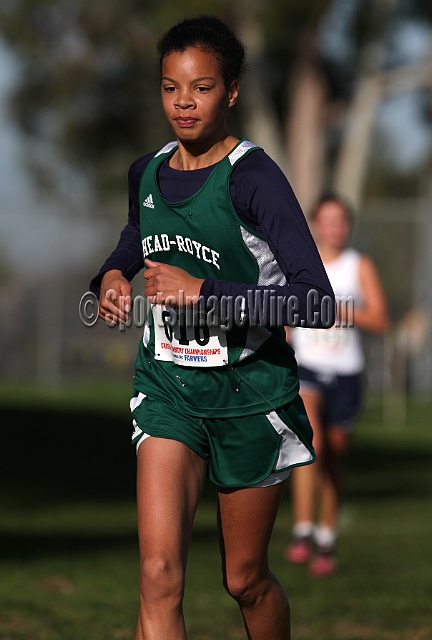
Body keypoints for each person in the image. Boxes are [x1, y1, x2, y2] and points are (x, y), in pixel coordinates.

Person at [90, 16, 335, 639]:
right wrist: (111, 280)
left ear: (230, 91)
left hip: (249, 398)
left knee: (244, 580)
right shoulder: (146, 172)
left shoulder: (255, 179)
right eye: (171, 88)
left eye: (200, 88)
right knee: (157, 572)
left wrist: (205, 293)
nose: (183, 103)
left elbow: (317, 303)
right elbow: (132, 244)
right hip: (170, 388)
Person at [285, 194, 390, 577]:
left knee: (334, 457)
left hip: (346, 373)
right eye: (327, 219)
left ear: (348, 225)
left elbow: (381, 320)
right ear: (314, 223)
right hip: (307, 367)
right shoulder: (299, 262)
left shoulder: (359, 265)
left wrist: (341, 310)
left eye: (341, 220)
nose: (334, 226)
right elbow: (283, 307)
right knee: (311, 442)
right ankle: (301, 530)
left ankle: (326, 534)